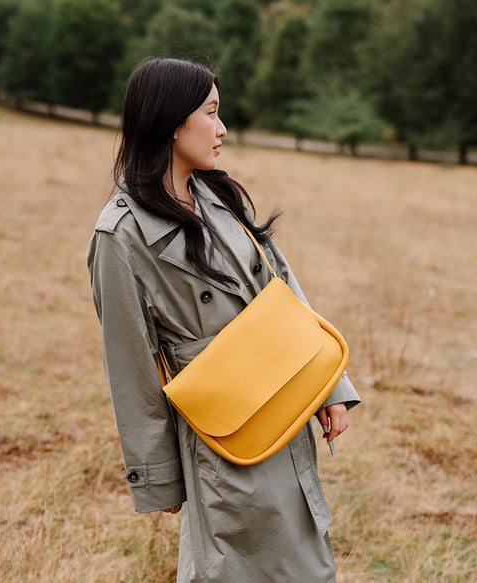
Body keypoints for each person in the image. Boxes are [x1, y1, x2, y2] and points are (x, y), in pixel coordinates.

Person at [87, 57, 361, 583]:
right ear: (172, 122)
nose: (223, 129)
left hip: (284, 403)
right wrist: (159, 479)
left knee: (304, 563)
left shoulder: (216, 195)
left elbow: (280, 286)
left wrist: (329, 385)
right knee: (233, 568)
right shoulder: (118, 237)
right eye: (211, 113)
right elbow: (132, 368)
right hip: (226, 430)